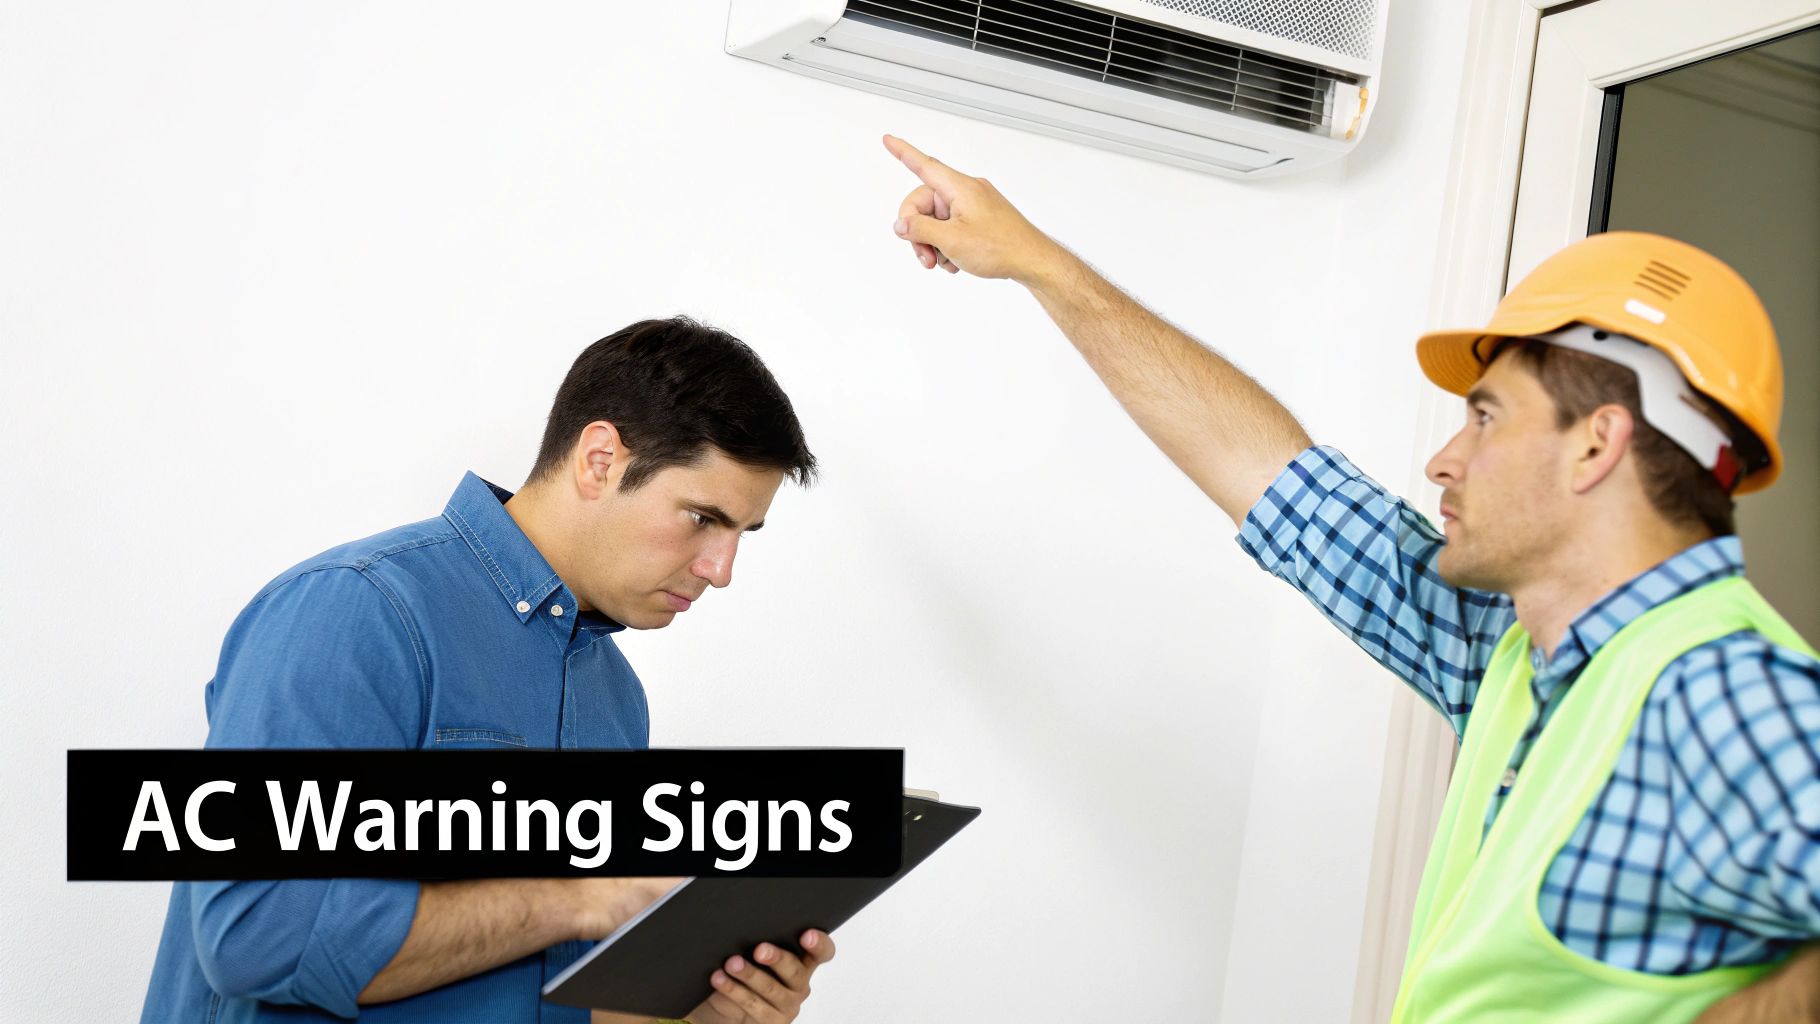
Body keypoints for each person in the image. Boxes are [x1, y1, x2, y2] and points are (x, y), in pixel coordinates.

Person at [881, 135, 1820, 1023]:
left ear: (1595, 446)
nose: (1446, 460)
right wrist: (1041, 261)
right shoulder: (1510, 655)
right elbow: (1267, 476)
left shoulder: (1716, 684)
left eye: (1486, 418)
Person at [141, 317, 837, 1024]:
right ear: (600, 460)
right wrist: (587, 897)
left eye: (740, 535)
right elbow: (258, 932)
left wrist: (700, 1016)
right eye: (701, 518)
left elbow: (531, 996)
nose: (721, 571)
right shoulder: (358, 608)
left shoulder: (616, 698)